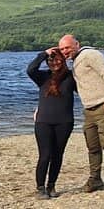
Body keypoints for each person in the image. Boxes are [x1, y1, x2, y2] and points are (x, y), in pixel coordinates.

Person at [57, 34, 104, 198]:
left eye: (67, 48)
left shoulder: (90, 55)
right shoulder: (75, 61)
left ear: (77, 44)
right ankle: (95, 179)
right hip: (89, 109)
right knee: (93, 146)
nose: (64, 51)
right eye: (61, 49)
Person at [26, 47, 76, 199]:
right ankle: (40, 188)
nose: (54, 62)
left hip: (65, 122)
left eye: (57, 59)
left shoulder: (71, 77)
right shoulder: (42, 77)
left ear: (63, 60)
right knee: (45, 155)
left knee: (57, 155)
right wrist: (44, 54)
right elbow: (30, 69)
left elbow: (86, 88)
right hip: (43, 122)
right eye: (51, 60)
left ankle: (51, 185)